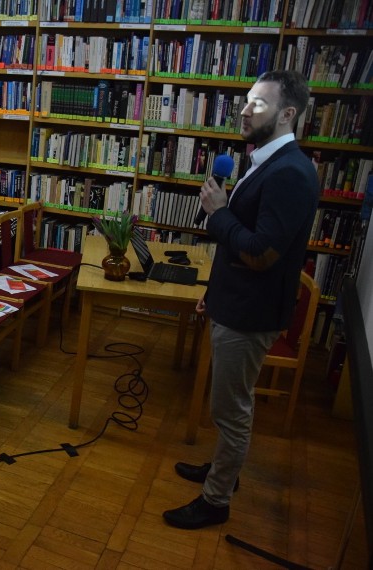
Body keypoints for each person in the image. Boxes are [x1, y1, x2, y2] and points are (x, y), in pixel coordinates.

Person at [163, 70, 319, 530]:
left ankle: (216, 500)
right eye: (246, 101)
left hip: (252, 314)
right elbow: (241, 245)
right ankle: (221, 472)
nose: (245, 110)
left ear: (287, 114)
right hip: (235, 303)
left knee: (231, 411)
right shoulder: (264, 160)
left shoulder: (291, 172)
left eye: (259, 104)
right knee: (226, 403)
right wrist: (214, 294)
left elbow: (260, 253)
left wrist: (218, 213)